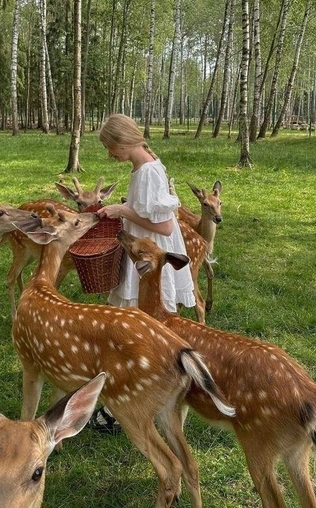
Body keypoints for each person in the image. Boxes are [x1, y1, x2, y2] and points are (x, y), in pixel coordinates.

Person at [88, 113, 196, 434]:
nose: (110, 155)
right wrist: (128, 207)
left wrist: (123, 211)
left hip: (151, 254)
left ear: (123, 142)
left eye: (111, 148)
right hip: (143, 248)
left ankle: (135, 403)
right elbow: (149, 211)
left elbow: (164, 225)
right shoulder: (142, 166)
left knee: (140, 330)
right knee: (135, 329)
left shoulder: (148, 170)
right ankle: (128, 400)